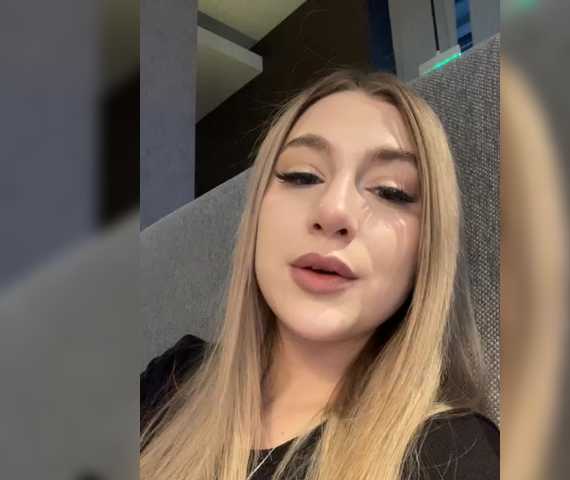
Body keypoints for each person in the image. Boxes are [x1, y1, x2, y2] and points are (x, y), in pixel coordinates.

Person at [140, 69, 499, 480]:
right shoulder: (174, 378)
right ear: (256, 215)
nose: (334, 212)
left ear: (428, 249)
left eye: (391, 191)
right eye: (302, 176)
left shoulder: (457, 454)